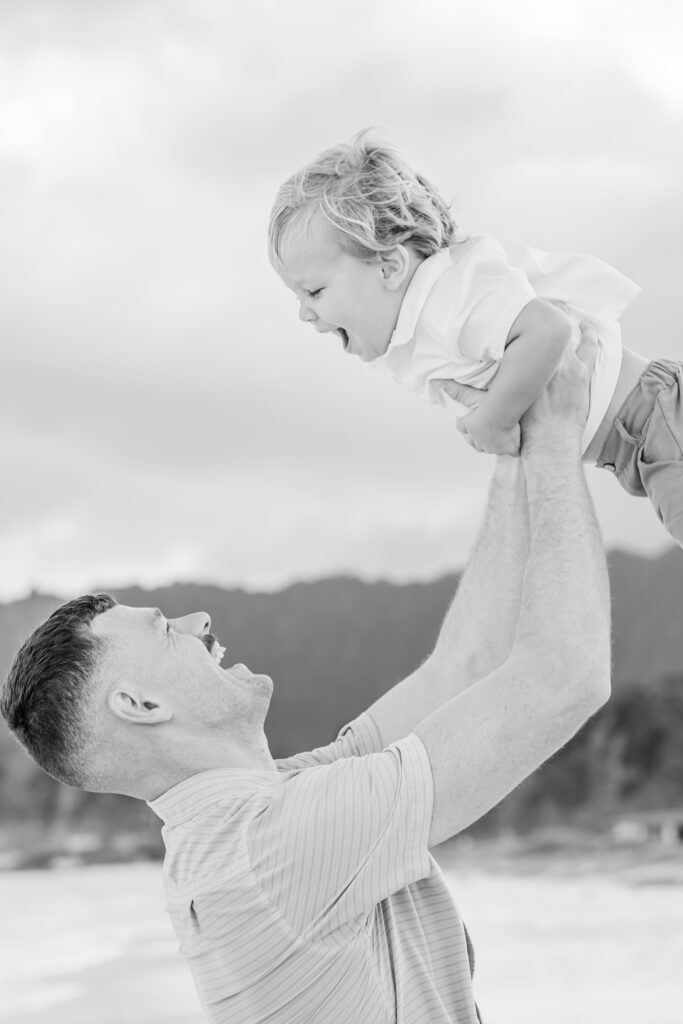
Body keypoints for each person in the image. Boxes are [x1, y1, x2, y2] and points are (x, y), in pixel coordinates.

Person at [1, 335, 610, 1024]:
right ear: (140, 704)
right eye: (167, 629)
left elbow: (461, 666)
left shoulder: (266, 813)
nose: (200, 619)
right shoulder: (269, 853)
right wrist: (557, 438)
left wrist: (514, 448)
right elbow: (565, 677)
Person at [269, 132, 683, 546]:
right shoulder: (415, 326)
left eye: (315, 292)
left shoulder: (448, 294)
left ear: (389, 268)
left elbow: (547, 330)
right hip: (643, 436)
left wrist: (493, 421)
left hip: (655, 420)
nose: (304, 313)